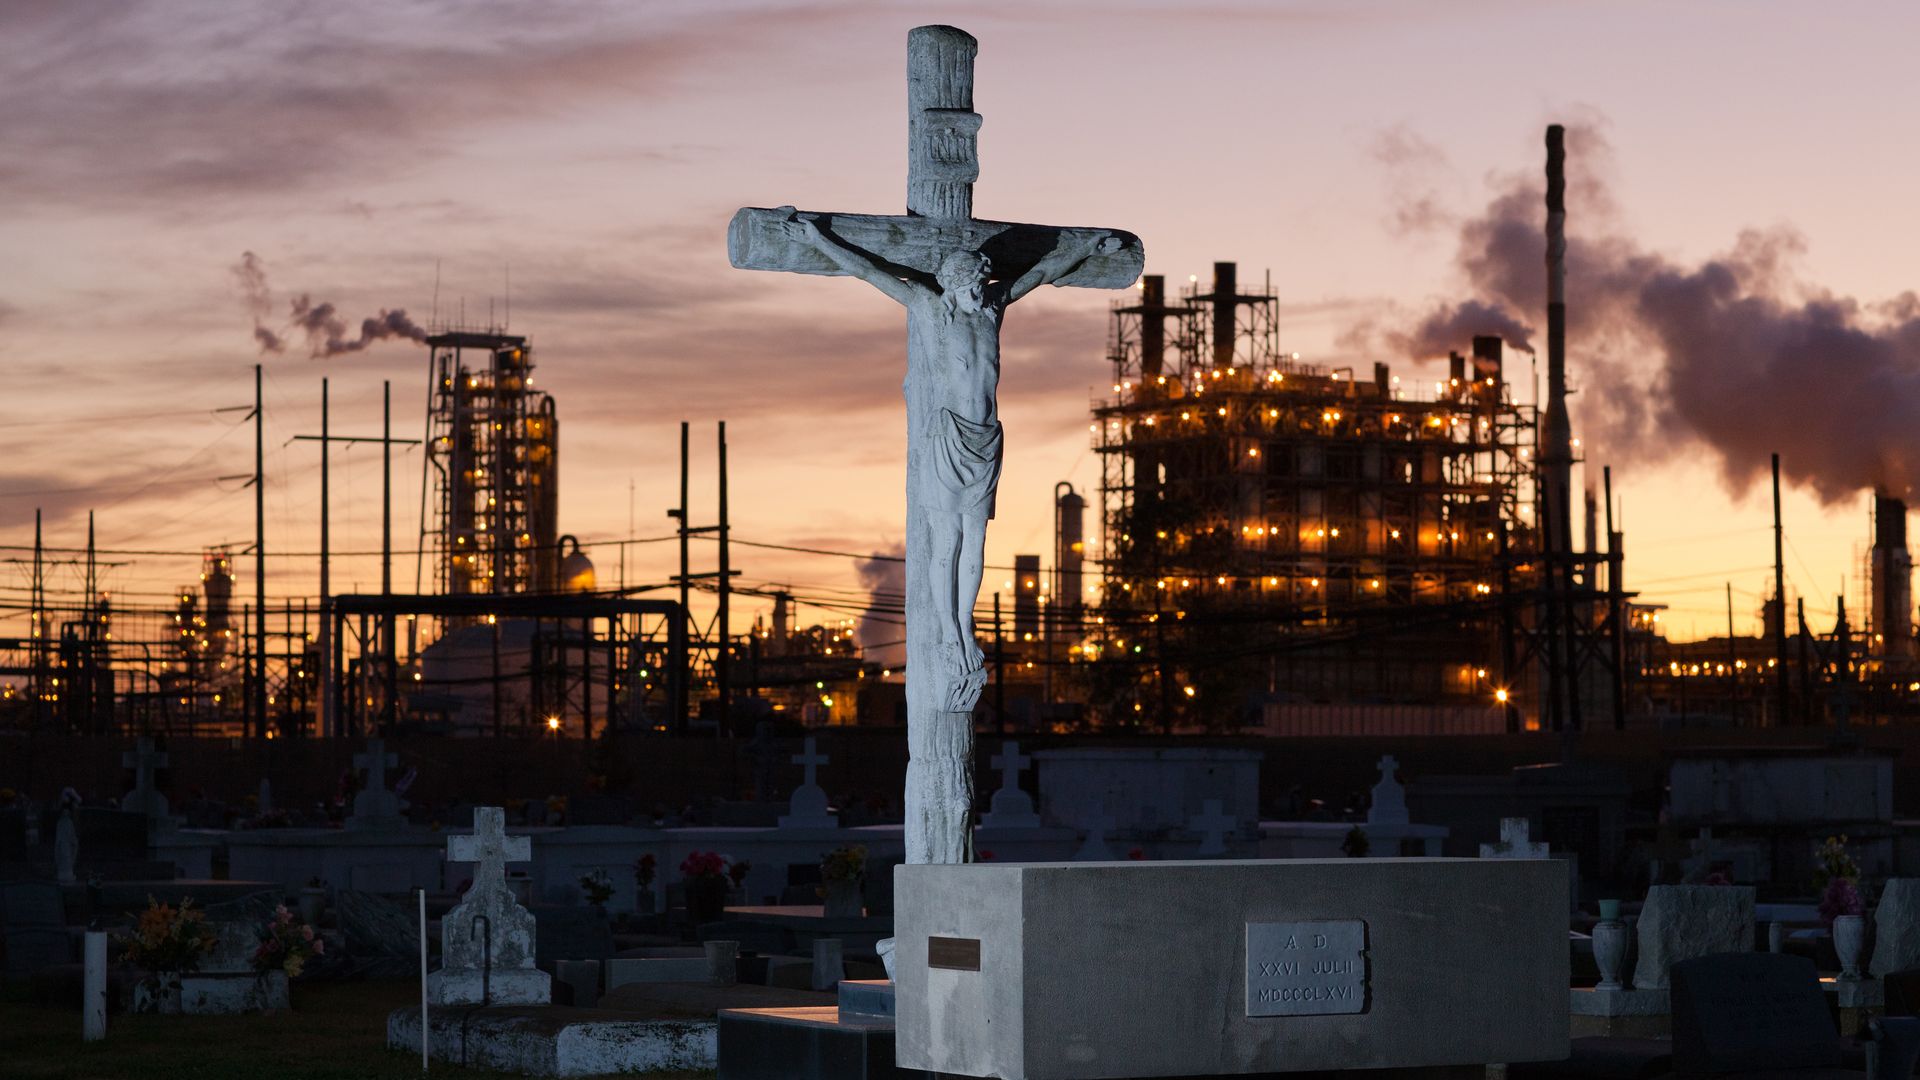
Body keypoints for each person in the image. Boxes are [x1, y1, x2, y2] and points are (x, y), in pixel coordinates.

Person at [777, 210, 1118, 707]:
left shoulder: (992, 310)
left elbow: (1039, 273)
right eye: (974, 282)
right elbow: (872, 272)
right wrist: (816, 238)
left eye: (984, 282)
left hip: (985, 438)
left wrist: (1086, 249)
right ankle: (948, 630)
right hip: (948, 438)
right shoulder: (932, 309)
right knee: (948, 539)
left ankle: (965, 621)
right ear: (955, 282)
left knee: (976, 538)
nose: (981, 289)